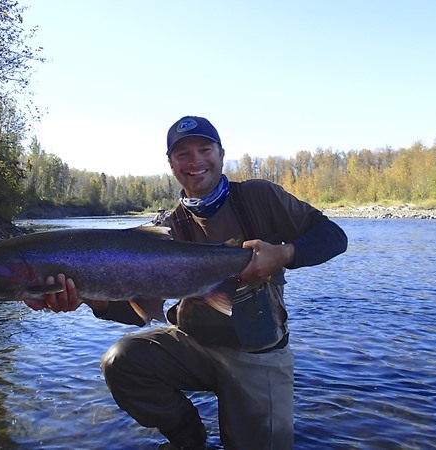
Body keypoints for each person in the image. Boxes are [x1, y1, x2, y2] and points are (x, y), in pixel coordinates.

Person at [25, 116, 348, 450]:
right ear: (171, 164)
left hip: (258, 354)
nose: (195, 161)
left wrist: (283, 254)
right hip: (192, 344)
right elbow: (142, 312)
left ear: (221, 154)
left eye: (204, 149)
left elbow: (334, 237)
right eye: (183, 154)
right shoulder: (166, 228)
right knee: (121, 361)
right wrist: (90, 298)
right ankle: (188, 438)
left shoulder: (260, 197)